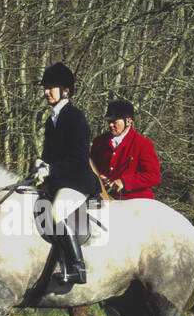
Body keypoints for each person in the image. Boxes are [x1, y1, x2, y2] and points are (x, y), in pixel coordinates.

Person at [30, 62, 99, 284]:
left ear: (66, 90)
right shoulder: (52, 118)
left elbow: (79, 158)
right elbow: (51, 154)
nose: (45, 92)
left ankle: (77, 268)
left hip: (78, 182)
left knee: (58, 213)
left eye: (51, 87)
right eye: (45, 87)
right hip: (60, 181)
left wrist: (52, 169)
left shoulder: (75, 117)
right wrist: (42, 166)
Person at [90, 98, 162, 200]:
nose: (110, 125)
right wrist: (99, 177)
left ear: (128, 121)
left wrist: (124, 182)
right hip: (102, 196)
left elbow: (153, 176)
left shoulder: (143, 144)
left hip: (134, 199)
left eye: (114, 121)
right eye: (109, 121)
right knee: (78, 214)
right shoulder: (99, 142)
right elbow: (92, 167)